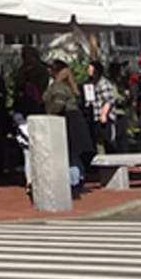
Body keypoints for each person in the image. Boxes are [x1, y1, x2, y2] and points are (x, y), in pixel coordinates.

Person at [44, 60, 94, 199]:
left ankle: (73, 184)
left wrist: (49, 115)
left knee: (70, 154)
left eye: (50, 69)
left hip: (68, 121)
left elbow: (57, 105)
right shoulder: (69, 85)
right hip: (75, 120)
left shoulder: (58, 86)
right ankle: (79, 179)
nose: (48, 71)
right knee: (74, 154)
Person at [83, 61, 118, 154]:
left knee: (107, 141)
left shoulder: (103, 82)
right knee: (97, 141)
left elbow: (108, 100)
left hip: (102, 116)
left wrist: (104, 114)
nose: (88, 70)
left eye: (90, 68)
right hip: (93, 116)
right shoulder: (90, 82)